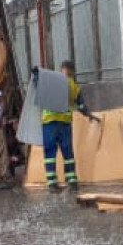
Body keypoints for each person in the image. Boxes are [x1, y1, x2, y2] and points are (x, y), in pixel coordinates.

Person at [35, 59, 97, 192]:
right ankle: (72, 181)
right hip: (64, 124)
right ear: (73, 72)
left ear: (61, 69)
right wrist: (89, 115)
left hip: (49, 122)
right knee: (67, 152)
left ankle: (52, 183)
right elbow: (81, 106)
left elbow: (38, 90)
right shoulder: (74, 86)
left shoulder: (51, 81)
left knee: (50, 153)